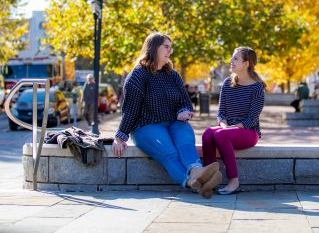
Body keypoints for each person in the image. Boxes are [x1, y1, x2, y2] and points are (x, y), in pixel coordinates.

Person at [111, 32, 222, 198]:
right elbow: (130, 110)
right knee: (170, 153)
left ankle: (197, 174)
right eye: (166, 47)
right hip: (146, 126)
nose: (170, 51)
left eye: (171, 47)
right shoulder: (138, 76)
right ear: (153, 47)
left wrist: (183, 111)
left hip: (175, 123)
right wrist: (120, 137)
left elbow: (185, 101)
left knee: (186, 144)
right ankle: (192, 180)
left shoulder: (172, 75)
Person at [202, 47, 265, 195]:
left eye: (236, 58)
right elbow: (221, 113)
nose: (231, 61)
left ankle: (233, 180)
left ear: (246, 63)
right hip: (227, 130)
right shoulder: (227, 84)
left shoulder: (257, 88)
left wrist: (231, 129)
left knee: (220, 135)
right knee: (208, 134)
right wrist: (224, 126)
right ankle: (209, 179)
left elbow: (252, 118)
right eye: (232, 57)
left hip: (248, 131)